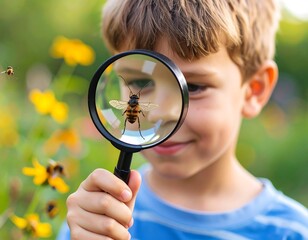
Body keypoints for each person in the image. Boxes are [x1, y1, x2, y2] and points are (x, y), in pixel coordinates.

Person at [58, 0, 308, 239]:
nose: (160, 114)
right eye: (140, 82)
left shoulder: (291, 232)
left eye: (195, 87)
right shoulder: (99, 216)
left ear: (254, 89)